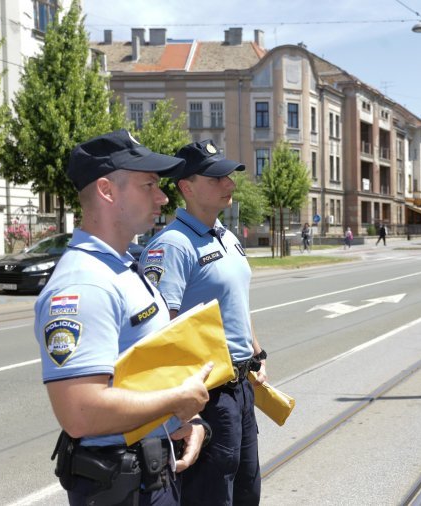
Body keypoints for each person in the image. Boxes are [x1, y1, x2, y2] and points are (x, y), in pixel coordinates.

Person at [34, 129, 213, 505]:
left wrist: (183, 420)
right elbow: (81, 412)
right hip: (120, 486)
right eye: (149, 184)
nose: (163, 196)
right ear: (107, 190)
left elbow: (142, 372)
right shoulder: (85, 284)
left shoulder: (122, 266)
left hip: (148, 470)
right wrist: (177, 401)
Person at [140, 139, 266, 506]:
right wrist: (185, 407)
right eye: (216, 178)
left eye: (228, 175)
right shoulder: (173, 246)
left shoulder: (225, 235)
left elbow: (237, 303)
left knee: (246, 488)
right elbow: (163, 330)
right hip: (208, 394)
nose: (229, 184)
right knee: (211, 493)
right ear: (186, 187)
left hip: (241, 387)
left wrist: (258, 355)